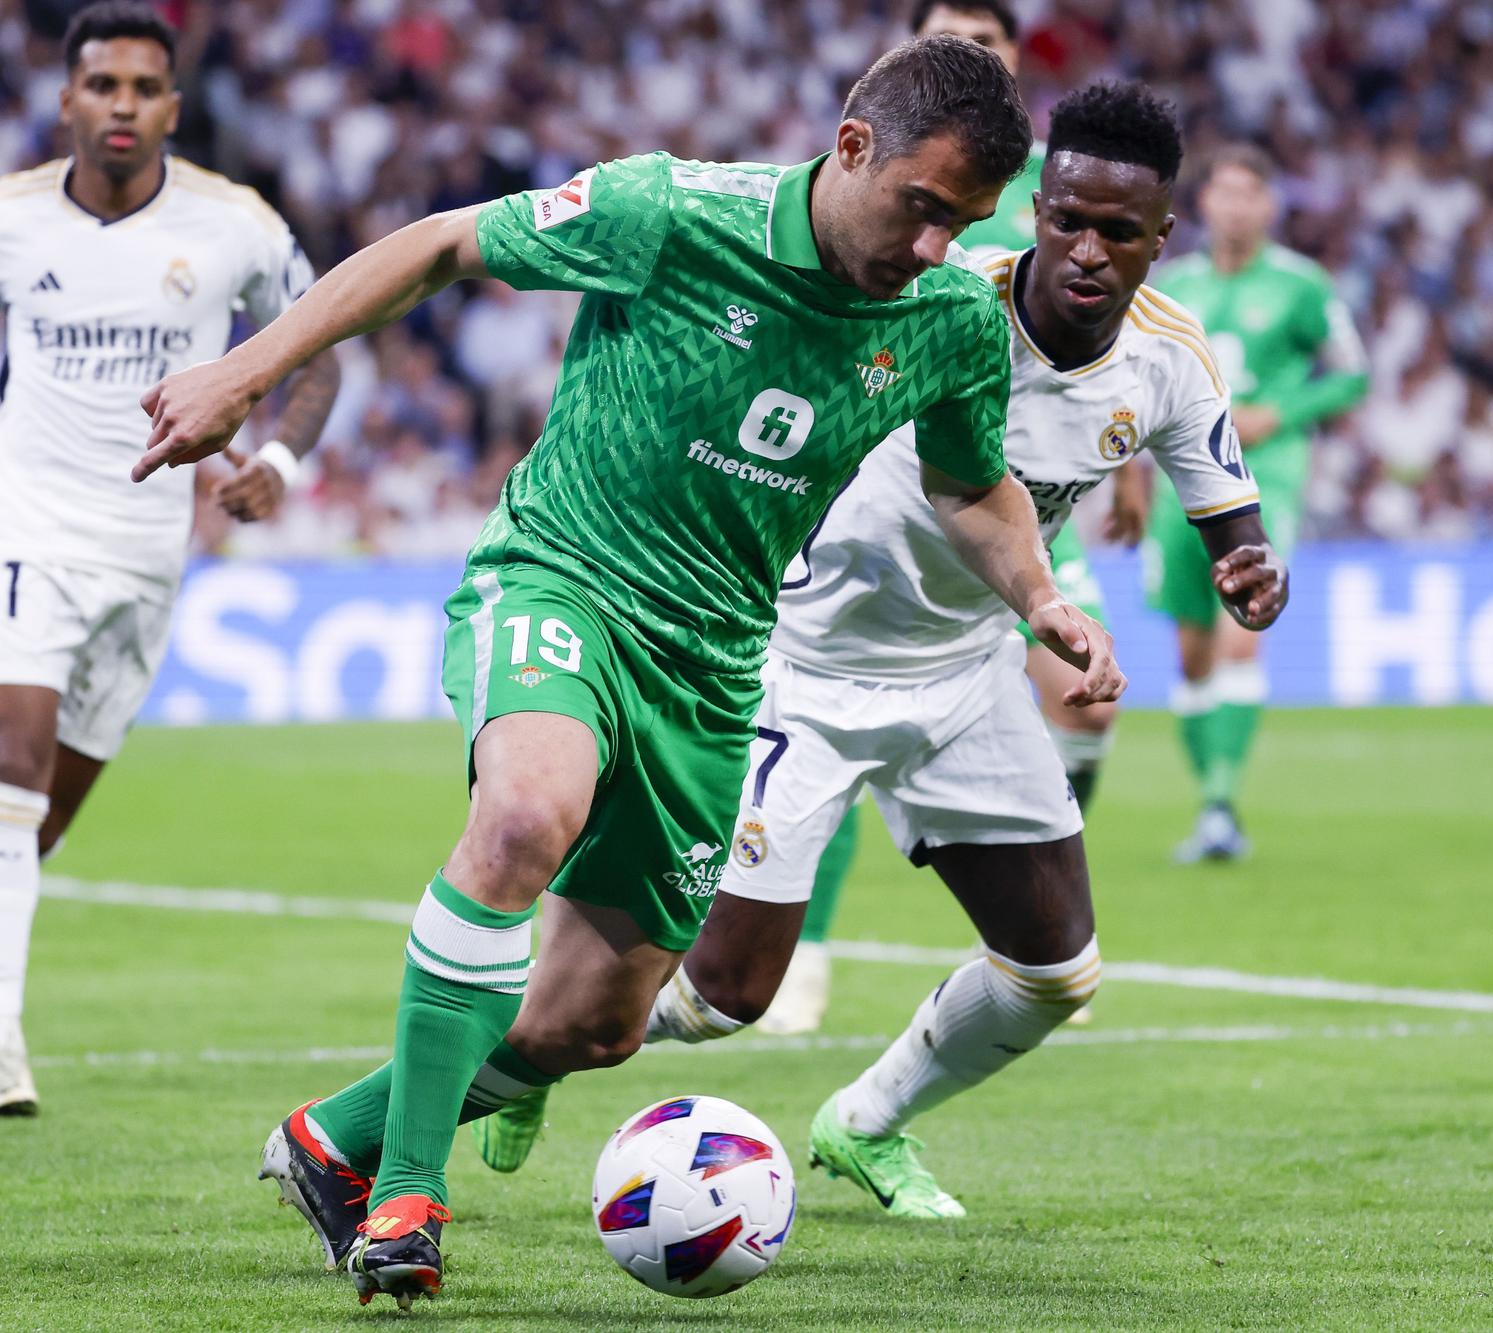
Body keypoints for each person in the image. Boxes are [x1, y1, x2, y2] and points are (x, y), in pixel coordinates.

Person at [139, 36, 1114, 1309]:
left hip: (713, 671)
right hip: (562, 583)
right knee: (526, 810)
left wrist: (1038, 594)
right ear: (851, 148)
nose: (936, 245)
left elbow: (969, 481)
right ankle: (407, 1203)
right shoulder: (666, 211)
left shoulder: (945, 323)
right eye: (922, 208)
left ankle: (336, 1140)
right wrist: (242, 371)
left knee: (592, 1026)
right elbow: (441, 245)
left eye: (965, 222)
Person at [474, 80, 1288, 1220]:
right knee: (717, 999)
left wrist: (1250, 572)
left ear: (1164, 239)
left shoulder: (1170, 359)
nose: (1087, 250)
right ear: (1036, 209)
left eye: (1119, 232)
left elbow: (1231, 525)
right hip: (795, 671)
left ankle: (863, 1123)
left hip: (962, 676)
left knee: (1056, 971)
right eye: (1066, 219)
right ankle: (532, 1052)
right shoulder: (934, 298)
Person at [758, 0, 1132, 1036]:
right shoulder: (881, 187)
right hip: (889, 506)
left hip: (1022, 505)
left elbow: (1108, 352)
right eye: (951, 44)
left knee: (1087, 702)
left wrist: (1134, 465)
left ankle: (1029, 908)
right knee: (827, 721)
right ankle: (806, 947)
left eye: (987, 48)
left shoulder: (1037, 204)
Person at [0, 2, 338, 1117]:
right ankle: (1, 1046)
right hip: (27, 523)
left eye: (144, 90)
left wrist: (278, 464)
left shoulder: (234, 223)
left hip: (149, 553)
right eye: (103, 87)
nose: (123, 107)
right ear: (67, 101)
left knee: (43, 818)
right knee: (15, 762)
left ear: (172, 109)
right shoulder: (12, 220)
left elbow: (319, 351)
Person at [1145, 145, 1369, 861]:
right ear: (1202, 203)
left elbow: (1351, 375)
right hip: (1180, 476)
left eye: (1251, 193)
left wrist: (1280, 412)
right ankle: (1209, 793)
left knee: (1242, 628)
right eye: (1224, 192)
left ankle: (1219, 804)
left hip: (1263, 475)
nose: (1236, 205)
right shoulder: (1173, 285)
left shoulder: (1303, 286)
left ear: (1270, 206)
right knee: (1191, 655)